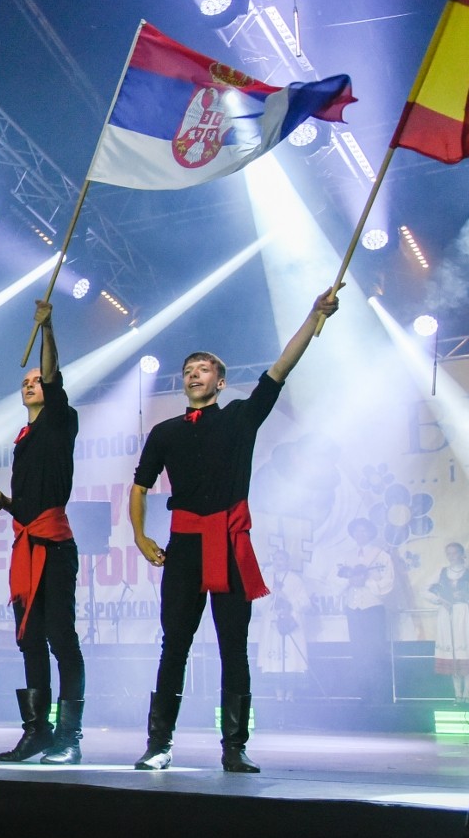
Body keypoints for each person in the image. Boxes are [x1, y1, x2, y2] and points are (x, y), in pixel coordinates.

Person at [130, 288, 339, 773]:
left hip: (228, 542)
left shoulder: (241, 417)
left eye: (203, 368)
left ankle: (234, 746)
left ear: (220, 383)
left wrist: (314, 314)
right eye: (188, 369)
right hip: (184, 547)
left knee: (233, 648)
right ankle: (158, 744)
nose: (193, 373)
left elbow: (281, 367)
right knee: (173, 647)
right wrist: (140, 536)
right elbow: (139, 488)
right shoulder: (165, 432)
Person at [0, 300, 83, 764]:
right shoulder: (23, 441)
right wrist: (7, 504)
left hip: (54, 546)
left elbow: (54, 375)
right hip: (27, 543)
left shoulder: (62, 421)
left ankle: (69, 738)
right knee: (28, 638)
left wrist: (47, 330)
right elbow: (29, 501)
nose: (31, 384)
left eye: (36, 380)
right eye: (24, 382)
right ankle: (36, 731)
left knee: (61, 637)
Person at [336, 518, 394, 704]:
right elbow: (335, 580)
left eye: (363, 531)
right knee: (358, 651)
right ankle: (363, 694)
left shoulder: (381, 555)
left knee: (375, 650)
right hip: (353, 608)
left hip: (373, 608)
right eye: (356, 531)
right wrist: (350, 581)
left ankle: (380, 695)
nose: (359, 534)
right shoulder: (347, 556)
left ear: (370, 533)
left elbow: (388, 582)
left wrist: (367, 582)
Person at [429, 542, 469, 705]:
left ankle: (467, 694)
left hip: (464, 615)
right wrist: (440, 600)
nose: (452, 556)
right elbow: (425, 591)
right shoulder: (441, 572)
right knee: (453, 654)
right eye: (449, 553)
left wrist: (466, 596)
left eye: (455, 553)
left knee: (465, 653)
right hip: (447, 614)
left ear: (462, 554)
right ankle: (457, 695)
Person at [254, 548, 310, 702]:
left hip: (289, 624)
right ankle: (278, 695)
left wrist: (285, 598)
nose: (278, 562)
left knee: (291, 661)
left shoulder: (295, 580)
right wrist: (270, 596)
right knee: (274, 663)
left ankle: (290, 695)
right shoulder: (266, 578)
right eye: (275, 559)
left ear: (287, 562)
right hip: (272, 625)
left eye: (281, 559)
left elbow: (305, 602)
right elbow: (258, 601)